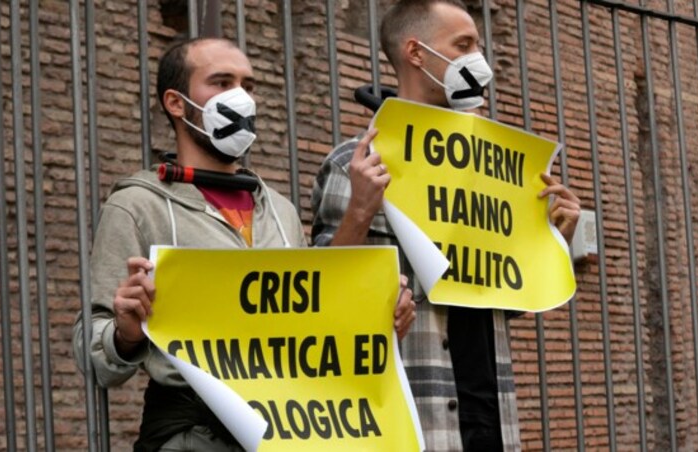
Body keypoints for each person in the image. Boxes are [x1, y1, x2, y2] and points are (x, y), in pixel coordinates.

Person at [72, 37, 416, 451]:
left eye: (248, 86)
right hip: (193, 437)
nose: (240, 97)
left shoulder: (280, 211)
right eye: (220, 83)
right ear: (176, 103)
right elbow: (96, 362)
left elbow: (309, 320)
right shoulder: (135, 206)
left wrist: (380, 320)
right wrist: (126, 333)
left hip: (288, 432)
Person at [311, 1, 581, 451]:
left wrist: (555, 241)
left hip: (492, 420)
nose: (480, 59)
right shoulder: (355, 165)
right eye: (464, 45)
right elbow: (323, 301)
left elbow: (501, 301)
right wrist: (360, 210)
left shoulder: (500, 170)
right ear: (416, 54)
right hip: (413, 420)